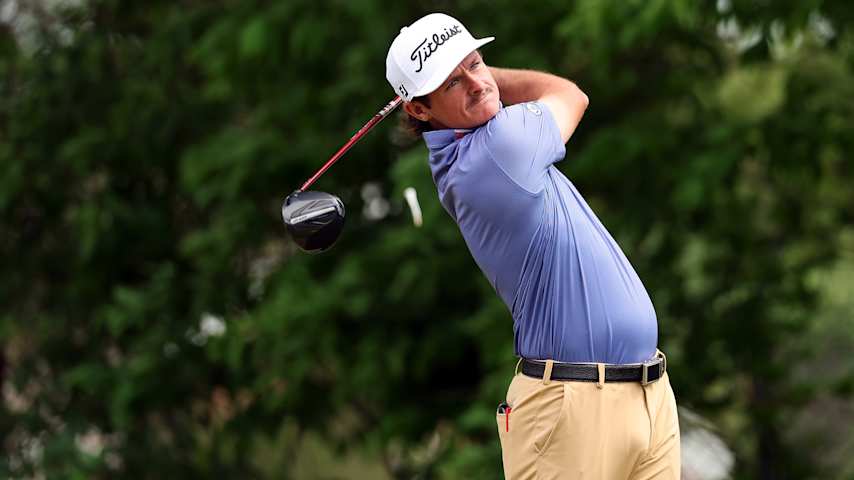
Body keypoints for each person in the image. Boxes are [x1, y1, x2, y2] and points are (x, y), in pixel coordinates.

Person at [386, 13, 680, 480]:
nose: (476, 84)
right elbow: (570, 94)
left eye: (475, 63)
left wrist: (465, 74)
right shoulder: (498, 149)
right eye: (453, 83)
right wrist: (491, 76)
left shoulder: (479, 146)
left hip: (647, 395)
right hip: (569, 411)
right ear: (419, 110)